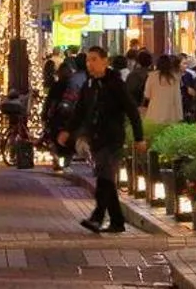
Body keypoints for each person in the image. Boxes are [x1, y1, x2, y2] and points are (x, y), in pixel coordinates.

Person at [58, 46, 143, 234]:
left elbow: (131, 110)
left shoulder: (115, 83)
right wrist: (67, 130)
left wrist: (139, 137)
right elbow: (80, 110)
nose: (90, 64)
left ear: (105, 61)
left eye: (94, 59)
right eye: (88, 60)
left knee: (104, 176)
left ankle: (97, 216)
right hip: (96, 138)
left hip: (112, 138)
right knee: (106, 178)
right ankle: (117, 221)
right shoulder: (89, 84)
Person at [145, 52, 185, 127]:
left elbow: (147, 95)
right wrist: (180, 115)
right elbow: (177, 98)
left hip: (154, 113)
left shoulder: (152, 76)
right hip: (171, 114)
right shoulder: (175, 78)